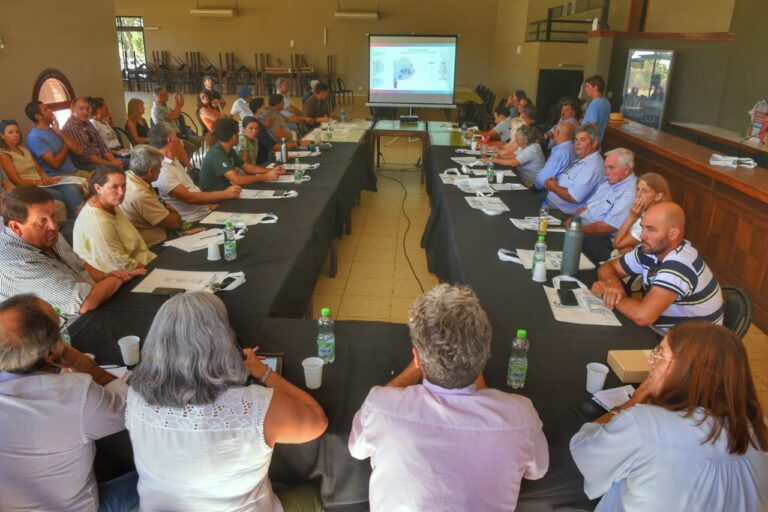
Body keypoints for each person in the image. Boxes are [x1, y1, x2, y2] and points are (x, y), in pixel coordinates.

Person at [349, 284, 549, 511]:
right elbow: (538, 471)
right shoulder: (521, 416)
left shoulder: (380, 406)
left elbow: (356, 449)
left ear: (417, 358)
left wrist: (415, 369)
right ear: (487, 350)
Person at [126, 292, 328, 510]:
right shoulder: (252, 407)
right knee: (314, 493)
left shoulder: (135, 396)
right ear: (225, 341)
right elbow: (317, 420)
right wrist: (263, 372)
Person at [570, 322, 768, 511]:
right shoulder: (759, 429)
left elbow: (584, 450)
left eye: (660, 354)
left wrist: (631, 404)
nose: (651, 361)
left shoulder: (643, 423)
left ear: (688, 371)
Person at [0, 294, 140, 512]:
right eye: (59, 325)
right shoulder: (75, 394)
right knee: (164, 475)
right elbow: (134, 410)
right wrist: (87, 366)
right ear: (51, 353)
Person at [0, 186, 145, 321]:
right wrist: (119, 277)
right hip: (62, 332)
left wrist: (104, 276)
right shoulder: (14, 261)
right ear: (15, 227)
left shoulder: (45, 233)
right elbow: (86, 302)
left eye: (53, 216)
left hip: (91, 302)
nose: (53, 226)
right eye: (42, 221)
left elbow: (78, 263)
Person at [591, 202, 724, 332]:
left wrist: (606, 293)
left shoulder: (679, 264)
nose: (642, 236)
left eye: (651, 229)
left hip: (689, 347)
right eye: (642, 228)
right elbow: (608, 267)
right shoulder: (651, 250)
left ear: (673, 234)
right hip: (665, 332)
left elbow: (643, 316)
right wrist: (613, 285)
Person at [149, 122, 241, 223]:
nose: (180, 140)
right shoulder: (162, 170)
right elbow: (190, 198)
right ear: (170, 140)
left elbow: (192, 190)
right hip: (194, 220)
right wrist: (225, 194)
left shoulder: (173, 162)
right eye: (177, 137)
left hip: (204, 212)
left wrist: (210, 206)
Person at [73, 166, 156, 272]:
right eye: (114, 187)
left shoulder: (110, 202)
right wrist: (154, 269)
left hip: (144, 259)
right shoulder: (98, 222)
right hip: (131, 274)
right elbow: (120, 263)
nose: (121, 192)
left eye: (124, 186)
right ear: (98, 188)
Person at [0, 119, 83, 219]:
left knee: (71, 188)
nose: (15, 134)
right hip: (29, 186)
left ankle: (79, 218)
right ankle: (76, 221)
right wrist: (39, 182)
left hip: (42, 181)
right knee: (61, 195)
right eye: (11, 132)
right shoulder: (4, 154)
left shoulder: (23, 148)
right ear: (2, 136)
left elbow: (38, 168)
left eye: (17, 132)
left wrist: (45, 177)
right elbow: (16, 180)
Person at [575, 148, 638, 263]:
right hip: (583, 228)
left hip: (603, 239)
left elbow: (606, 228)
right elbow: (587, 206)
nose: (606, 172)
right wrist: (573, 220)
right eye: (606, 167)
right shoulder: (610, 181)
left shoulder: (630, 192)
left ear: (626, 170)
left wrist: (575, 230)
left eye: (611, 167)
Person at [120, 144, 182, 248]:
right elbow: (175, 222)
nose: (161, 169)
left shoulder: (128, 177)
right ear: (150, 171)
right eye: (159, 167)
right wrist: (173, 211)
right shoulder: (140, 194)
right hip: (157, 246)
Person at [200, 118, 283, 192]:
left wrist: (273, 171)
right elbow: (237, 180)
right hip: (214, 199)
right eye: (238, 133)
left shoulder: (229, 149)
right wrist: (266, 177)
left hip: (226, 192)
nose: (239, 136)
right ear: (233, 137)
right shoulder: (217, 154)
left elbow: (247, 167)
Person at [544, 124, 604, 214]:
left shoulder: (593, 167)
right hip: (551, 205)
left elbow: (574, 197)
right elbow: (571, 182)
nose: (577, 143)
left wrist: (553, 186)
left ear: (594, 143)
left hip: (562, 214)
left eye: (583, 140)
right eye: (576, 139)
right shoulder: (583, 157)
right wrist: (556, 182)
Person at [613, 172, 672, 254]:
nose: (638, 194)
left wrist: (631, 216)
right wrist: (627, 244)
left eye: (645, 191)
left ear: (658, 196)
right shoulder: (643, 209)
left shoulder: (653, 219)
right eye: (638, 189)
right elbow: (622, 243)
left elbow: (617, 244)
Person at [25, 100, 86, 177]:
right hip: (60, 177)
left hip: (75, 172)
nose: (51, 111)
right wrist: (66, 144)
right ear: (38, 116)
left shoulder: (55, 130)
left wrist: (60, 132)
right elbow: (55, 164)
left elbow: (79, 150)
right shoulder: (34, 138)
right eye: (46, 109)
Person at [63, 97, 125, 170]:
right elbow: (86, 156)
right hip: (86, 164)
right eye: (81, 109)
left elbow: (101, 144)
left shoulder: (87, 122)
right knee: (115, 170)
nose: (85, 112)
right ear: (72, 109)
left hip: (101, 159)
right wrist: (110, 163)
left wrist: (113, 160)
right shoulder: (71, 128)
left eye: (87, 109)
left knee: (128, 163)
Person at [150, 86, 201, 160]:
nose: (168, 95)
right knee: (190, 147)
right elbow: (174, 116)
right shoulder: (157, 109)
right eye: (166, 94)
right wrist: (179, 105)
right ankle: (183, 164)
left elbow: (175, 112)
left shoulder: (164, 106)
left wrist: (178, 101)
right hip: (167, 137)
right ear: (160, 95)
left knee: (197, 142)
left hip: (176, 134)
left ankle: (183, 159)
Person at [534, 121, 577, 190]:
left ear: (557, 133)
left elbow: (542, 180)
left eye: (555, 130)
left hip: (551, 191)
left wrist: (533, 188)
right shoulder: (572, 147)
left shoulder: (561, 153)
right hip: (565, 187)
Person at [582, 75, 611, 142]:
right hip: (598, 143)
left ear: (596, 87)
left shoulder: (595, 103)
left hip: (588, 144)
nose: (585, 89)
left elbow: (593, 126)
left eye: (588, 86)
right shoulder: (607, 102)